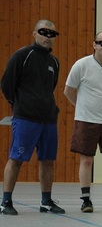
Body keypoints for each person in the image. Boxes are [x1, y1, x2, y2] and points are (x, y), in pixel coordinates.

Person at [0, 19, 65, 215]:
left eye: (52, 33)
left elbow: (49, 89)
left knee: (47, 160)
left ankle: (46, 202)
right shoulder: (22, 55)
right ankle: (5, 202)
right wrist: (19, 105)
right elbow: (6, 84)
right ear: (34, 34)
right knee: (16, 159)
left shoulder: (54, 62)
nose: (48, 36)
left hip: (48, 120)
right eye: (44, 32)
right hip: (25, 118)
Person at [64, 31, 102, 213]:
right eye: (101, 43)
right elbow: (68, 91)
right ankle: (86, 200)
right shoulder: (81, 65)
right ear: (94, 44)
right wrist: (82, 107)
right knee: (87, 160)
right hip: (86, 120)